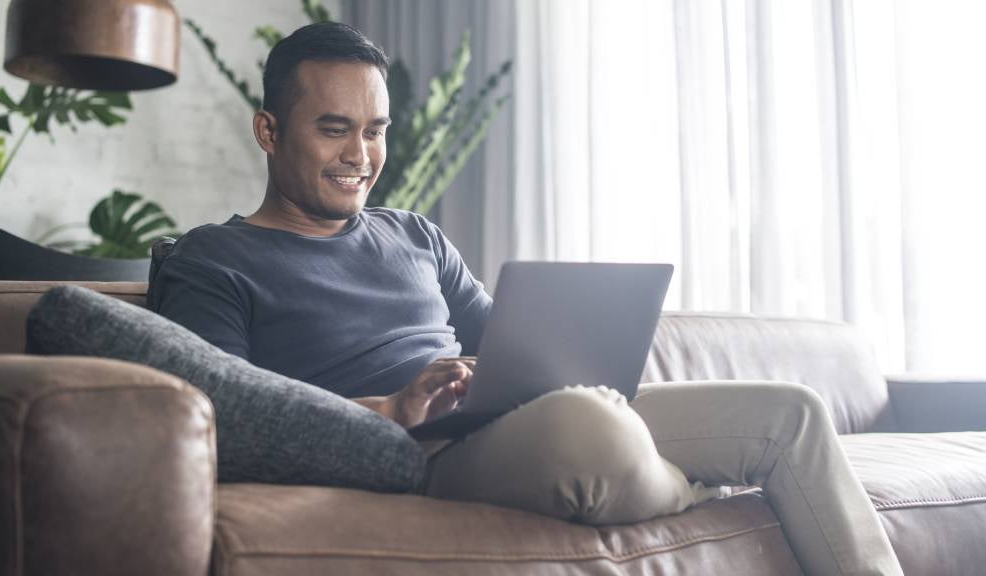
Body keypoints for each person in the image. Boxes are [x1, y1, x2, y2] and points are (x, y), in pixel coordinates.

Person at [152, 22, 903, 576]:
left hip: (517, 421)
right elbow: (225, 421)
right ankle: (695, 485)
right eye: (334, 130)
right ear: (269, 130)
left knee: (789, 413)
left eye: (376, 131)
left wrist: (548, 360)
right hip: (414, 453)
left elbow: (512, 347)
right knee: (592, 429)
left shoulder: (415, 235)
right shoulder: (213, 260)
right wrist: (390, 408)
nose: (361, 155)